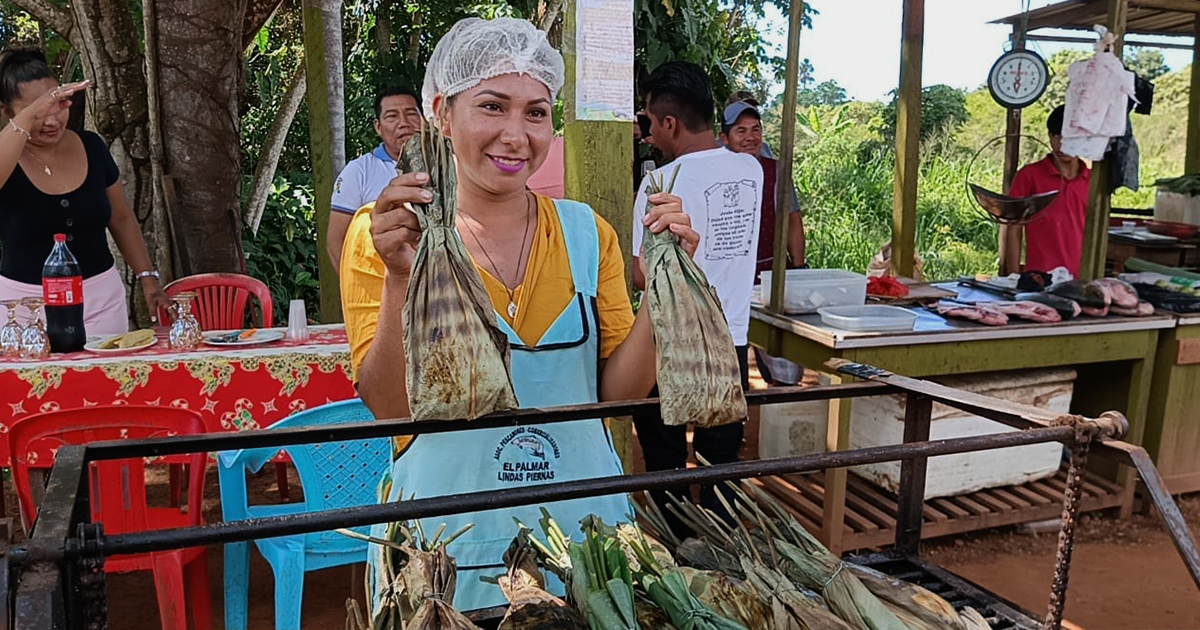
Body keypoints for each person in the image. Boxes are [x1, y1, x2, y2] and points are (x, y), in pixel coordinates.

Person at [339, 17, 699, 612]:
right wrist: (403, 274)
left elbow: (617, 396)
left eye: (536, 112)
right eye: (492, 106)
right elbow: (390, 409)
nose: (516, 134)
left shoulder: (589, 235)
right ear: (441, 113)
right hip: (445, 553)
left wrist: (666, 291)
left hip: (584, 544)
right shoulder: (383, 234)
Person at [630, 60, 763, 531]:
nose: (646, 131)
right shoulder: (751, 170)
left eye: (648, 120)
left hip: (673, 340)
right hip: (732, 334)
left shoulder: (658, 185)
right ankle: (722, 547)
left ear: (668, 122)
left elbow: (645, 275)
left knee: (665, 457)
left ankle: (675, 543)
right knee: (720, 461)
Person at [0, 48, 169, 333]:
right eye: (39, 111)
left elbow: (122, 218)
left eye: (60, 104)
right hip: (23, 308)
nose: (52, 120)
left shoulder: (91, 146)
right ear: (8, 112)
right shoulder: (7, 156)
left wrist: (148, 278)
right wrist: (31, 115)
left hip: (100, 301)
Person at [719, 100, 806, 386]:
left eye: (755, 129)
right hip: (727, 281)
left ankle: (780, 414)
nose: (750, 137)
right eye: (741, 130)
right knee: (728, 356)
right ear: (725, 138)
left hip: (767, 276)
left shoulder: (776, 171)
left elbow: (792, 218)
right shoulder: (714, 173)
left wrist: (798, 265)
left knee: (783, 362)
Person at [326, 83, 423, 268]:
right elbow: (336, 242)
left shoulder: (447, 165)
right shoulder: (358, 172)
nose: (403, 122)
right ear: (378, 127)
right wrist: (354, 291)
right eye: (392, 116)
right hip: (380, 288)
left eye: (411, 114)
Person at [1007, 105, 1091, 276]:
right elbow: (1014, 229)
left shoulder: (1092, 181)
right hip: (1039, 279)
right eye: (1055, 136)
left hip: (1082, 280)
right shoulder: (1029, 176)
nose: (1061, 144)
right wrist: (1014, 277)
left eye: (1069, 137)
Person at [721, 89, 775, 159]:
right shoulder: (716, 149)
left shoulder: (764, 148)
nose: (750, 137)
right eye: (741, 131)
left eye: (752, 107)